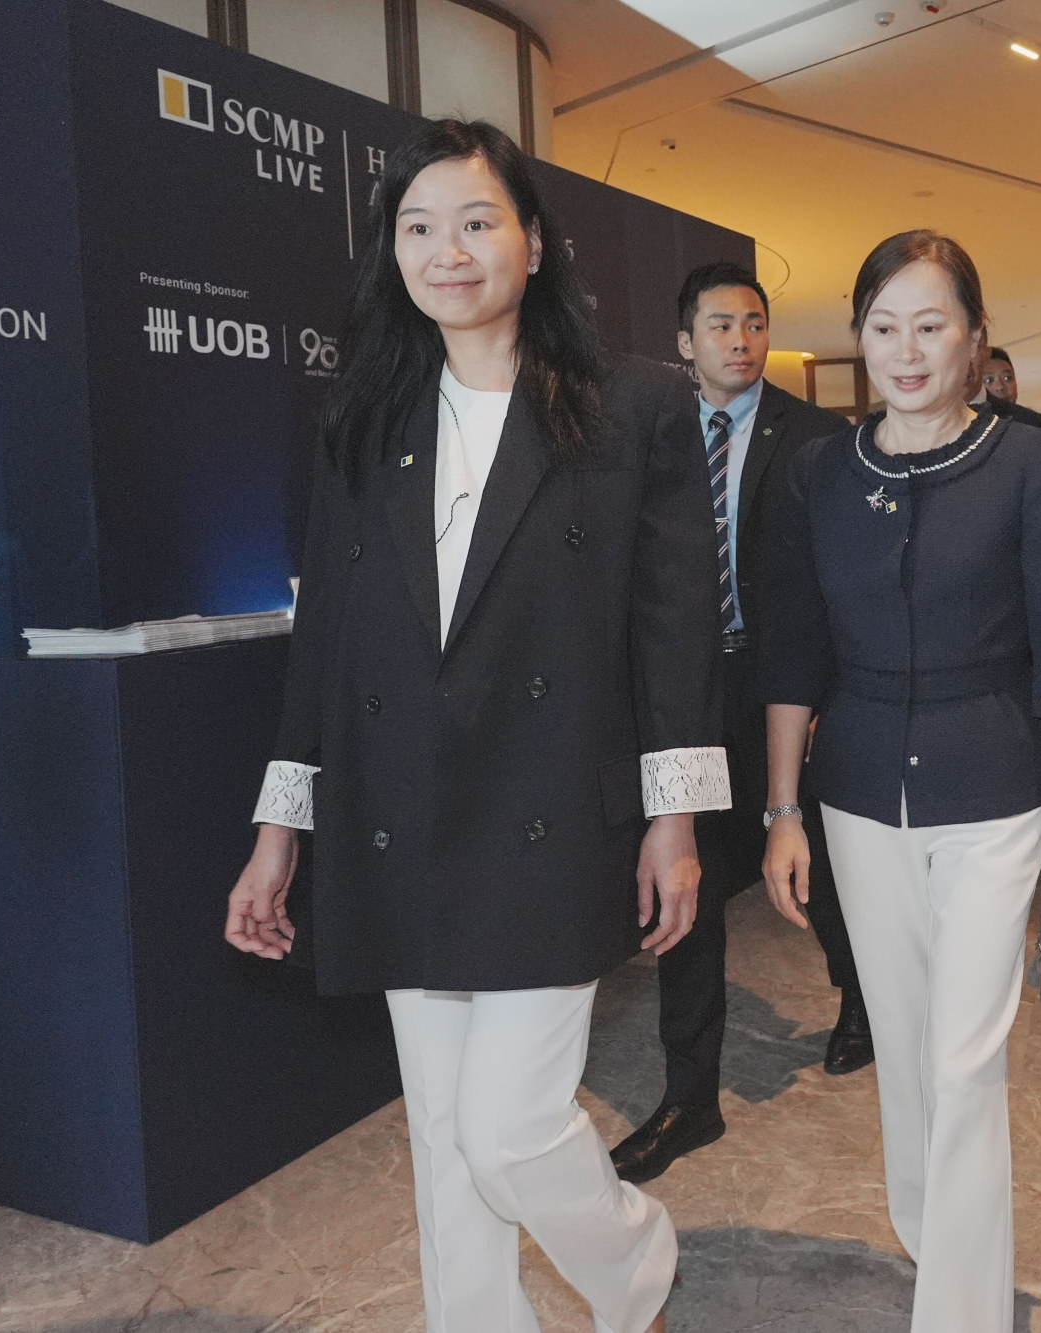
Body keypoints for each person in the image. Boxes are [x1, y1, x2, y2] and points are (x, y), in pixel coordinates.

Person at [224, 120, 729, 1333]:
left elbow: (674, 631)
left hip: (549, 808)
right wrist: (278, 829)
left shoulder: (633, 407)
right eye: (417, 227)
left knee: (508, 1127)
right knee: (446, 1136)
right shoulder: (363, 420)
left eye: (475, 222)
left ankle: (636, 1265)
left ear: (534, 242)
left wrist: (674, 822)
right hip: (398, 807)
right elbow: (326, 643)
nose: (446, 251)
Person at [756, 229, 1041, 1333]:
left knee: (962, 1057)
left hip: (993, 787)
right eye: (883, 327)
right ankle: (929, 1229)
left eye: (930, 325)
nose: (905, 351)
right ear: (859, 338)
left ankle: (961, 1312)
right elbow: (793, 653)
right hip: (858, 790)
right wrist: (781, 810)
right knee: (905, 1045)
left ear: (974, 339)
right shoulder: (819, 472)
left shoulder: (1028, 464)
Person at [609, 262, 873, 1188]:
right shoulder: (645, 431)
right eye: (720, 324)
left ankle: (859, 995)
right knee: (687, 881)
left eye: (754, 323)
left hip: (785, 684)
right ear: (685, 341)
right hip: (684, 687)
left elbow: (842, 576)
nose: (741, 339)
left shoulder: (817, 437)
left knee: (814, 857)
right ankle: (692, 1096)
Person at [970, 344, 1041, 437]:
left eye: (1007, 378)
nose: (1000, 387)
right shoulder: (969, 424)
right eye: (989, 380)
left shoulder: (1032, 422)